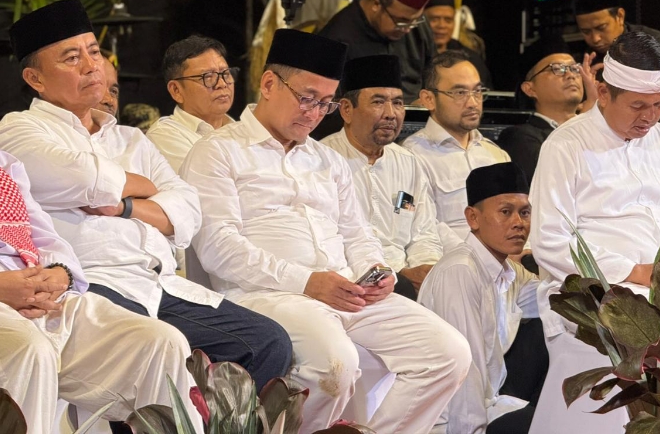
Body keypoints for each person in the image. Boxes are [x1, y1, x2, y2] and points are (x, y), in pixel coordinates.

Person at [180, 28, 471, 434]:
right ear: (269, 84)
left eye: (326, 103)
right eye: (307, 98)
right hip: (265, 295)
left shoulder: (326, 159)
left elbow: (357, 233)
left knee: (450, 354)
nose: (315, 113)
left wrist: (377, 270)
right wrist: (307, 282)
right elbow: (218, 248)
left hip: (346, 290)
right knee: (336, 364)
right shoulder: (218, 151)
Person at [0, 0, 293, 393]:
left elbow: (188, 211)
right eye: (71, 58)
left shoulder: (130, 138)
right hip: (92, 283)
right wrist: (148, 188)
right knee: (158, 347)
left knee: (269, 343)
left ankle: (210, 422)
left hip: (158, 283)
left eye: (94, 52)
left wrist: (124, 206)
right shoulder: (18, 130)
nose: (91, 66)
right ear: (35, 79)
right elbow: (87, 176)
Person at [527, 31, 660, 434]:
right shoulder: (566, 145)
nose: (650, 117)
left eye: (659, 104)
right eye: (638, 105)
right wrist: (634, 272)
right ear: (604, 93)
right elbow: (552, 242)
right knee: (637, 333)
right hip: (597, 291)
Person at [0, 150, 204, 434]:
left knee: (160, 342)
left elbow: (44, 237)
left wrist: (61, 273)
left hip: (44, 294)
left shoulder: (6, 164)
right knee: (30, 349)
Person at [419, 162, 546, 434]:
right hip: (448, 419)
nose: (519, 223)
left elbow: (553, 303)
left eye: (525, 212)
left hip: (491, 403)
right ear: (473, 218)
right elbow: (466, 371)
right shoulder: (460, 271)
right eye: (505, 212)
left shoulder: (509, 271)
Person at [322, 54, 442, 300]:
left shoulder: (409, 162)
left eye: (398, 103)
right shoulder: (323, 160)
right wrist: (399, 275)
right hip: (353, 279)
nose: (391, 114)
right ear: (346, 109)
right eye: (378, 102)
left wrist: (426, 269)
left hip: (407, 278)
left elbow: (424, 233)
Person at [402, 51, 510, 250]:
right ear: (428, 99)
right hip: (452, 261)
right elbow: (425, 229)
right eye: (460, 93)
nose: (473, 102)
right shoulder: (412, 155)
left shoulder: (496, 154)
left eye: (477, 91)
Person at [318, 0, 436, 103]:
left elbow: (433, 76)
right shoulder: (337, 38)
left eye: (415, 20)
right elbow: (329, 103)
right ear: (376, 5)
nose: (407, 30)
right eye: (401, 21)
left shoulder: (415, 24)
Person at [573, 0, 660, 106]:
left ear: (620, 16)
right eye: (586, 32)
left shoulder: (652, 45)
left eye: (601, 28)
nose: (595, 38)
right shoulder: (589, 59)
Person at [498, 35, 584, 183]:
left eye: (575, 69)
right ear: (530, 89)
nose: (570, 75)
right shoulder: (519, 137)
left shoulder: (601, 127)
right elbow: (557, 181)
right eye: (557, 69)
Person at [146, 35, 237, 173]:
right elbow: (209, 182)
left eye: (225, 74)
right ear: (176, 90)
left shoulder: (241, 129)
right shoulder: (164, 135)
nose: (222, 84)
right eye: (208, 77)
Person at [424, 0, 493, 87]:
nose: (442, 25)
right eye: (434, 19)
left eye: (448, 20)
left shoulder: (470, 58)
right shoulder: (412, 56)